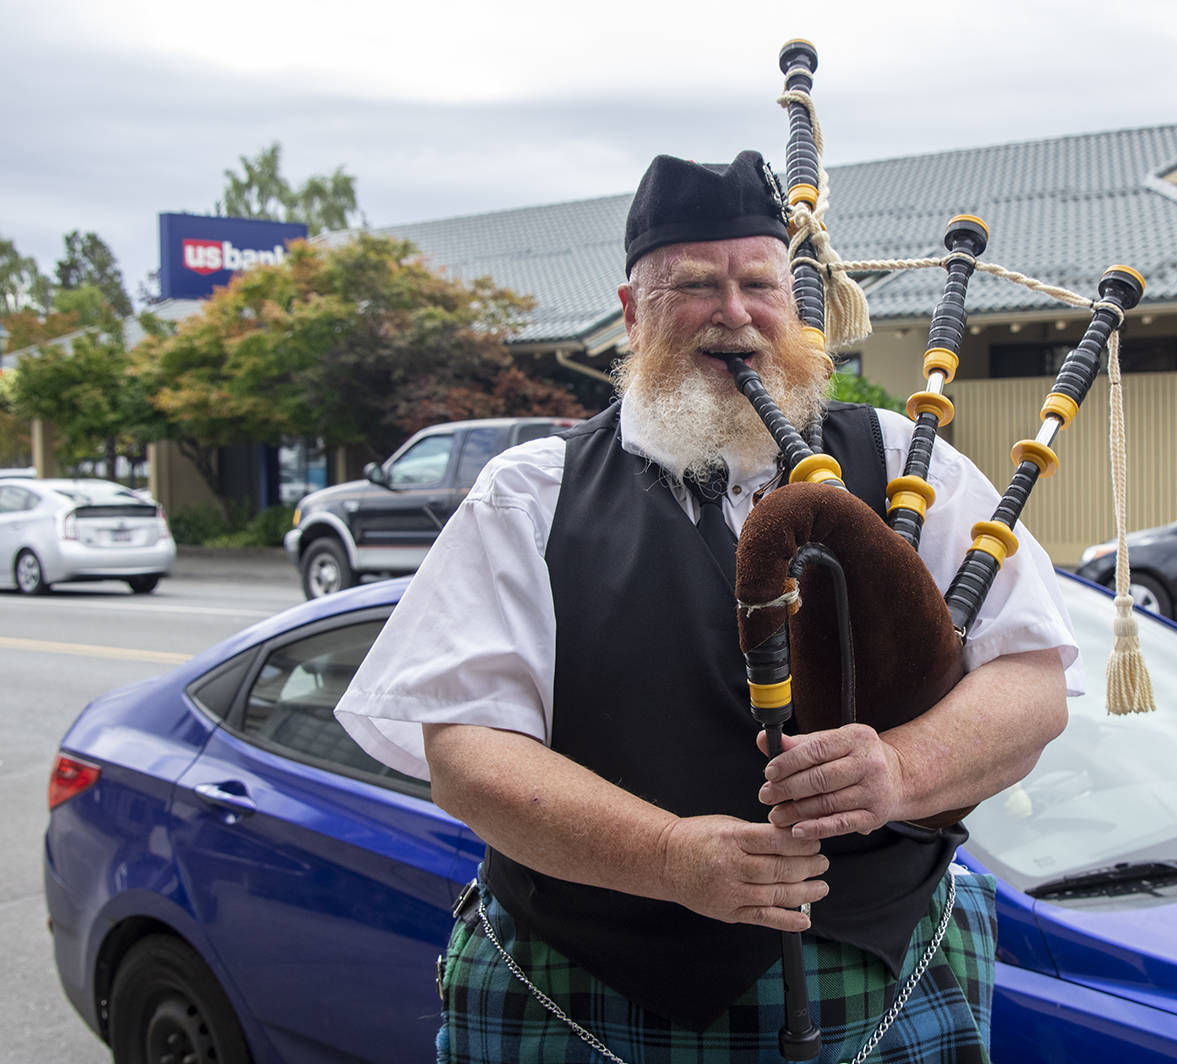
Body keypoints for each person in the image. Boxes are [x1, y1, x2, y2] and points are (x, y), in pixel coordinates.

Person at [335, 150, 1082, 1063]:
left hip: (882, 972)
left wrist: (902, 770)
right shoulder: (530, 496)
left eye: (758, 283)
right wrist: (667, 856)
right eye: (694, 285)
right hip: (587, 981)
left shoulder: (902, 463)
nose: (734, 313)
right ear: (630, 313)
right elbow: (465, 754)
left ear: (794, 302)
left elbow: (1031, 682)